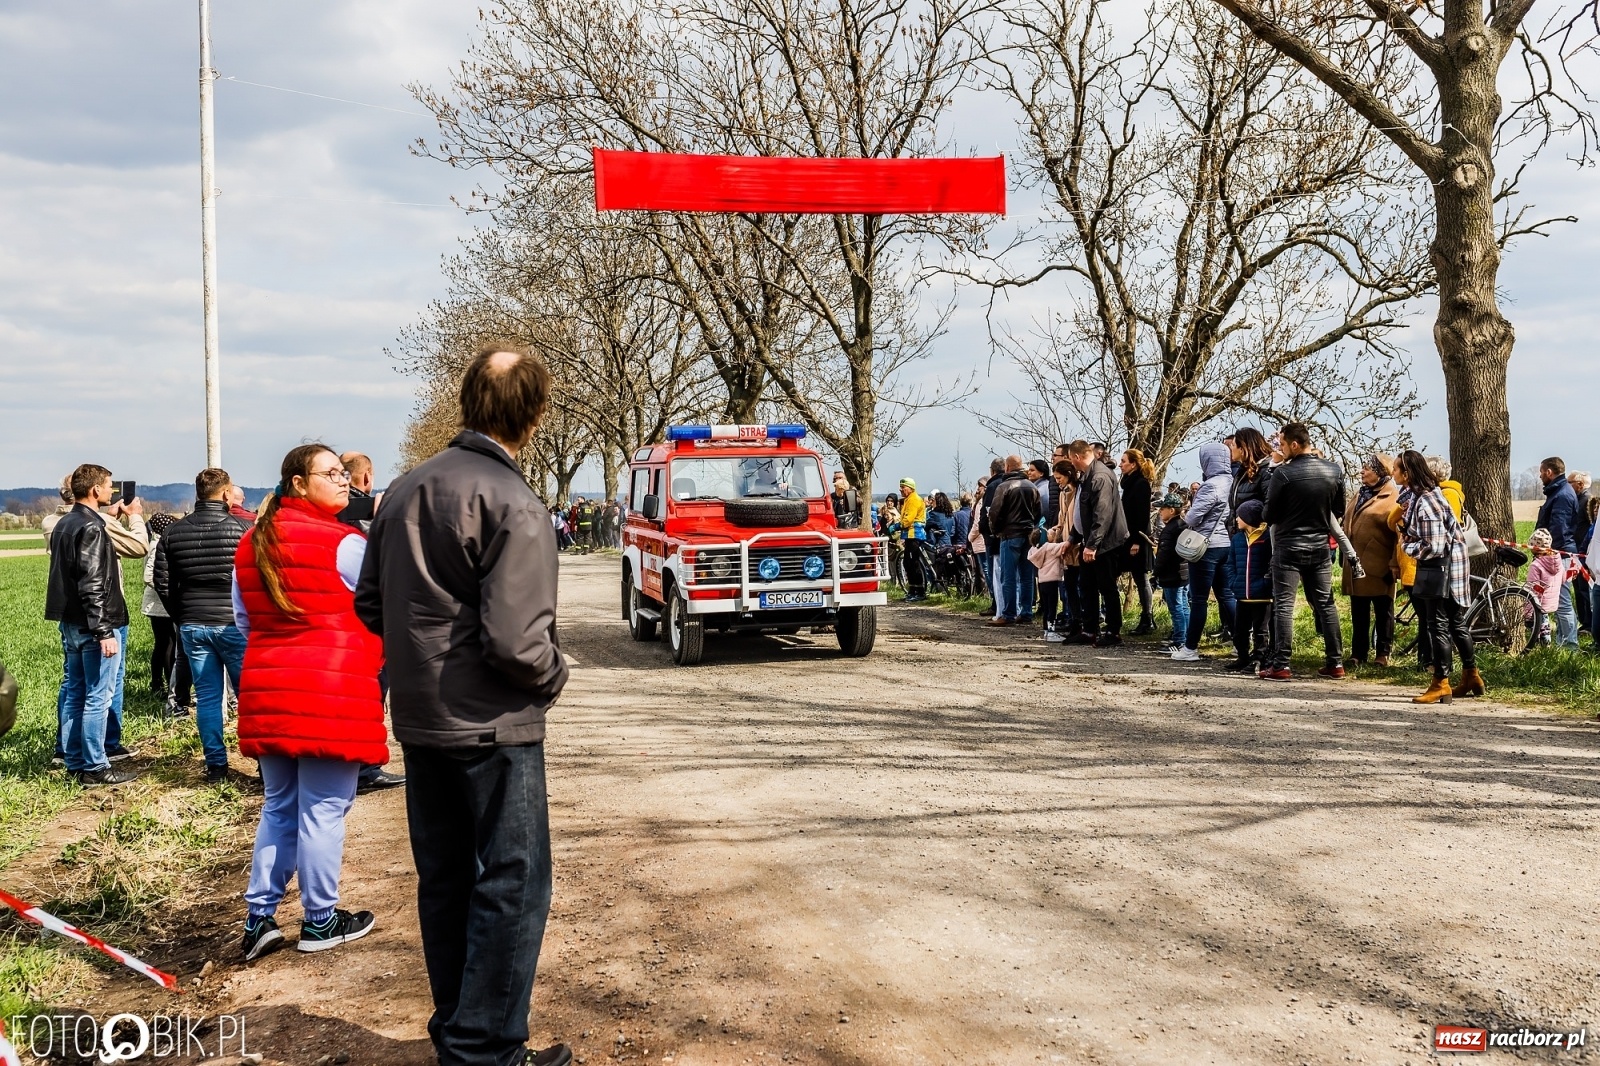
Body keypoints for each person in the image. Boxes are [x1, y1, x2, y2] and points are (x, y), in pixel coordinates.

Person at [356, 343, 571, 1066]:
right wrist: (553, 676)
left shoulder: (404, 490)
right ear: (535, 415)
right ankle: (486, 1048)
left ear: (465, 403)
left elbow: (369, 605)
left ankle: (459, 1031)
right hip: (495, 727)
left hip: (421, 721)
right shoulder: (515, 503)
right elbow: (518, 643)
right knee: (512, 885)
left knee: (446, 879)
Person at [233, 444, 386, 961]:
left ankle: (260, 920)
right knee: (323, 810)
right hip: (331, 691)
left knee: (279, 806)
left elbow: (245, 622)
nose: (345, 481)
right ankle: (321, 919)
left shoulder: (252, 542)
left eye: (345, 474)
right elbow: (381, 610)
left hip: (268, 687)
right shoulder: (345, 543)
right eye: (332, 474)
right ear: (298, 483)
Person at [46, 464, 140, 785]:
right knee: (98, 696)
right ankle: (96, 767)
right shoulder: (93, 528)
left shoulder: (64, 523)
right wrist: (104, 631)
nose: (111, 492)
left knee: (75, 691)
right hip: (93, 623)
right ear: (94, 490)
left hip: (70, 622)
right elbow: (92, 582)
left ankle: (73, 761)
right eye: (109, 486)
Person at [155, 468, 251, 781]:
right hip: (232, 623)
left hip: (192, 624)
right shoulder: (241, 530)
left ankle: (216, 766)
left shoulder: (173, 533)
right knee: (249, 697)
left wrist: (180, 615)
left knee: (208, 697)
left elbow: (163, 581)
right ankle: (265, 763)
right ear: (226, 494)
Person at [1260, 423, 1346, 681]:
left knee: (1284, 605)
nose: (1281, 450)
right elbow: (1338, 509)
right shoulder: (1334, 471)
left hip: (1288, 545)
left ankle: (1281, 665)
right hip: (1319, 545)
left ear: (1294, 444)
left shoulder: (1283, 474)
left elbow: (1269, 514)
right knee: (1326, 604)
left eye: (1283, 445)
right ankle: (1336, 662)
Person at [1394, 450, 1481, 703]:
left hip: (1440, 570)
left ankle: (1441, 682)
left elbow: (1434, 545)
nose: (1393, 473)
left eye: (1397, 469)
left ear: (1408, 473)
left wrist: (1406, 545)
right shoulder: (1430, 495)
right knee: (1456, 623)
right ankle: (1471, 675)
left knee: (1438, 625)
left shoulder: (1427, 502)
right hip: (1451, 569)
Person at [1172, 442, 1235, 662]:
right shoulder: (1232, 482)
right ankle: (1241, 643)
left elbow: (1192, 518)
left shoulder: (1210, 486)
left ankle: (1190, 648)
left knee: (1198, 599)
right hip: (1226, 544)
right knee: (1226, 595)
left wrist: (1188, 514)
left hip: (1205, 547)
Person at [1066, 440, 1129, 647]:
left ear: (1076, 457)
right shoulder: (1087, 476)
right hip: (1089, 541)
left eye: (1070, 458)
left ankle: (1113, 631)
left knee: (1107, 587)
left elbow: (1102, 514)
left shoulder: (1099, 476)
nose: (1070, 463)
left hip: (1105, 543)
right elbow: (1082, 512)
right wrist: (1074, 538)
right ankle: (1089, 630)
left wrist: (1093, 545)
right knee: (1087, 586)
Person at [1342, 455, 1401, 666]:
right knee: (1358, 610)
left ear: (1379, 472)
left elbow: (1398, 535)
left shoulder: (1393, 497)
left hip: (1380, 564)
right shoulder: (1360, 494)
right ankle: (1358, 653)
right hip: (1356, 564)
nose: (1362, 471)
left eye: (1366, 468)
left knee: (1383, 610)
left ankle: (1382, 654)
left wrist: (1394, 562)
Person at [985, 457, 1041, 627]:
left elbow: (994, 513)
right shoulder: (1032, 486)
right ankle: (1026, 612)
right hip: (1028, 535)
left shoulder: (1004, 487)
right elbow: (1038, 512)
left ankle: (1008, 613)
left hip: (1009, 535)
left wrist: (996, 531)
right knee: (1026, 577)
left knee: (1008, 576)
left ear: (1008, 467)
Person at [142, 512, 189, 708]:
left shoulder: (158, 543)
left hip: (160, 603)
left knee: (163, 645)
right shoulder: (157, 546)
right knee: (167, 644)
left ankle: (159, 683)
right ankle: (166, 682)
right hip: (159, 604)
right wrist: (169, 588)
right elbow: (148, 575)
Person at [1536, 456, 1581, 649]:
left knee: (1562, 602)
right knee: (1560, 600)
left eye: (1541, 472)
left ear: (1549, 472)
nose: (1539, 476)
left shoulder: (1562, 495)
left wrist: (1548, 552)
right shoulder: (1559, 491)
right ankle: (1562, 643)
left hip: (1560, 555)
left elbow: (1559, 529)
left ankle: (1570, 646)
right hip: (1561, 553)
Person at [1226, 499, 1273, 671]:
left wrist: (1266, 583)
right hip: (1241, 594)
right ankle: (1242, 657)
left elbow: (1272, 563)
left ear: (1250, 518)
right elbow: (1230, 563)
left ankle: (1259, 659)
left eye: (1240, 516)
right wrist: (1233, 582)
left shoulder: (1267, 537)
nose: (1237, 519)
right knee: (1240, 631)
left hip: (1261, 595)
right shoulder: (1238, 538)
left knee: (1261, 631)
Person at [1118, 449, 1156, 635]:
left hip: (1137, 538)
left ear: (1133, 464)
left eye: (1123, 461)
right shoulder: (1128, 483)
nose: (1120, 464)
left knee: (1141, 578)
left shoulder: (1141, 484)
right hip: (1128, 536)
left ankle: (1147, 618)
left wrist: (1137, 542)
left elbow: (1141, 515)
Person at [1152, 492, 1190, 649]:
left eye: (1163, 509)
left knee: (1176, 608)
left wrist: (1156, 572)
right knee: (1184, 606)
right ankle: (1187, 638)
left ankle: (1179, 641)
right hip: (1184, 572)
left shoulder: (1169, 530)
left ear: (1172, 510)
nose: (1160, 511)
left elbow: (1164, 555)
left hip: (1171, 574)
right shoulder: (1184, 525)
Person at [1523, 528, 1564, 644]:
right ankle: (1546, 646)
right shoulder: (1558, 562)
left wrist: (1528, 611)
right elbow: (1564, 578)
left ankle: (1538, 646)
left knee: (1536, 626)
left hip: (1538, 604)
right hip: (1552, 602)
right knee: (1545, 624)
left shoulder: (1536, 565)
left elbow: (1532, 589)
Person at [1028, 529, 1069, 642]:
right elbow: (1064, 545)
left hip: (1042, 582)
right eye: (1049, 533)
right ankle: (1051, 631)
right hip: (1052, 581)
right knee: (1052, 607)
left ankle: (1046, 630)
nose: (1052, 532)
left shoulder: (1035, 550)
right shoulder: (1050, 548)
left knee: (1046, 608)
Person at [897, 478, 931, 601]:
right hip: (909, 535)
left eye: (903, 487)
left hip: (914, 535)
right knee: (907, 562)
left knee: (913, 563)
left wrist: (897, 526)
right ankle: (912, 589)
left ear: (910, 488)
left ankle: (920, 591)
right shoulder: (908, 499)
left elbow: (908, 520)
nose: (900, 489)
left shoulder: (914, 500)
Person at [1569, 471, 1592, 632]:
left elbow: (1592, 528)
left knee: (1584, 588)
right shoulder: (1577, 500)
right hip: (1575, 552)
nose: (1567, 486)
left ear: (1580, 484)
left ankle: (1589, 624)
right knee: (1577, 587)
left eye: (1569, 482)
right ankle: (1584, 621)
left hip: (1583, 553)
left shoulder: (1587, 501)